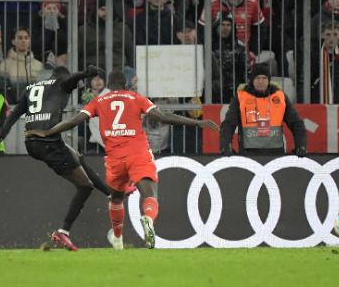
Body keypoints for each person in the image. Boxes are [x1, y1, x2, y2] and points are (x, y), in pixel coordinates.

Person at [25, 70, 219, 250]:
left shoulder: (99, 101)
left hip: (115, 158)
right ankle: (149, 221)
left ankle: (118, 238)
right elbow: (163, 116)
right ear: (125, 85)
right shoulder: (136, 98)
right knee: (149, 194)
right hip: (138, 153)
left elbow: (74, 121)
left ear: (109, 84)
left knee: (116, 198)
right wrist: (197, 122)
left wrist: (48, 131)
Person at [0, 66, 115, 251]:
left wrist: (0, 135)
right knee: (85, 185)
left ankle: (112, 194)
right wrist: (85, 73)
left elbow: (13, 115)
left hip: (32, 143)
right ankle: (63, 232)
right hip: (48, 142)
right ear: (62, 77)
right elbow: (70, 81)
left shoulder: (31, 88)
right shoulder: (61, 83)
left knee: (77, 157)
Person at [220, 63, 307, 156]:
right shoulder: (241, 97)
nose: (261, 81)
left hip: (276, 155)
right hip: (248, 155)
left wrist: (301, 145)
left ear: (269, 80)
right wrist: (225, 145)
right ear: (252, 80)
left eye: (264, 78)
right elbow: (228, 124)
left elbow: (296, 123)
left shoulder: (280, 97)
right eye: (257, 78)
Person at [0, 27, 44, 104]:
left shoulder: (39, 65)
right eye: (20, 38)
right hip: (13, 110)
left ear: (29, 41)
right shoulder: (4, 66)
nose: (23, 41)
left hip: (35, 110)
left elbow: (44, 89)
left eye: (26, 38)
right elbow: (1, 91)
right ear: (13, 41)